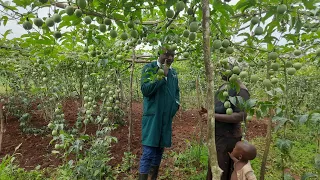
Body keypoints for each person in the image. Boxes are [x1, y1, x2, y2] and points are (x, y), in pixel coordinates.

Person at [200, 60, 250, 180]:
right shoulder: (224, 87)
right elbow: (221, 108)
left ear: (234, 70)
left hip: (228, 138)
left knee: (223, 169)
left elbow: (241, 115)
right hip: (218, 135)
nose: (220, 71)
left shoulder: (241, 90)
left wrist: (213, 116)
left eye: (224, 68)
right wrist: (209, 112)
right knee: (215, 167)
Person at [138, 47, 180, 180]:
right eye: (167, 54)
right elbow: (145, 90)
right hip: (153, 118)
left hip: (166, 118)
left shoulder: (174, 73)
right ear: (159, 53)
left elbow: (176, 93)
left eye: (172, 55)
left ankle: (153, 177)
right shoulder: (149, 68)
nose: (170, 58)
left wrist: (175, 106)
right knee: (149, 152)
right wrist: (162, 76)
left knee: (159, 151)